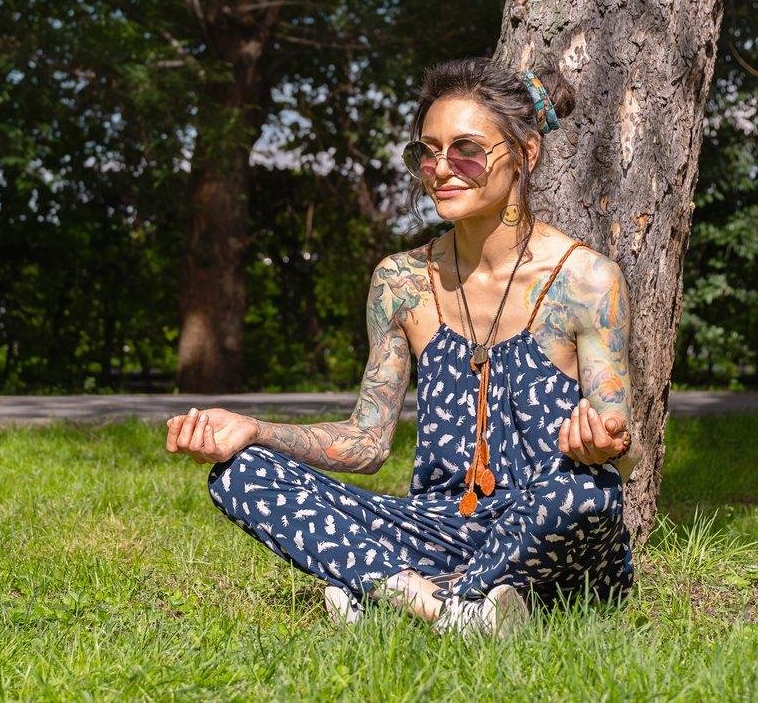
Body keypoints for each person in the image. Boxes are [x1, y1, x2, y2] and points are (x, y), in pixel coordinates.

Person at [164, 56, 638, 637]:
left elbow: (624, 450)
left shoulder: (587, 281)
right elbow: (366, 443)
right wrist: (254, 430)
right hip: (432, 527)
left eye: (466, 150)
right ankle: (446, 607)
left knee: (586, 495)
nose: (442, 168)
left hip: (541, 526)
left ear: (526, 156)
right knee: (240, 474)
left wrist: (602, 448)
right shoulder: (400, 282)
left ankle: (386, 588)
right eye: (427, 152)